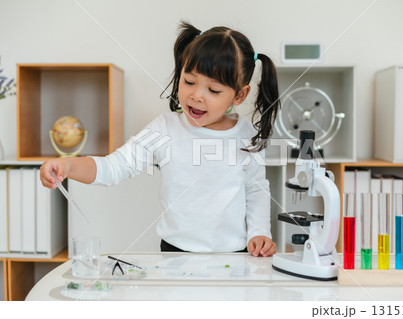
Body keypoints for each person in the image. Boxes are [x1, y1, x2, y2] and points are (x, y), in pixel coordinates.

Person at [40, 21, 280, 257]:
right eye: (189, 81)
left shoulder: (248, 136)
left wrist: (259, 233)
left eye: (213, 90)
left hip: (234, 256)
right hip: (175, 254)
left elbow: (256, 190)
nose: (196, 95)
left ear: (239, 95)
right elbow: (114, 167)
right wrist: (68, 165)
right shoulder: (164, 129)